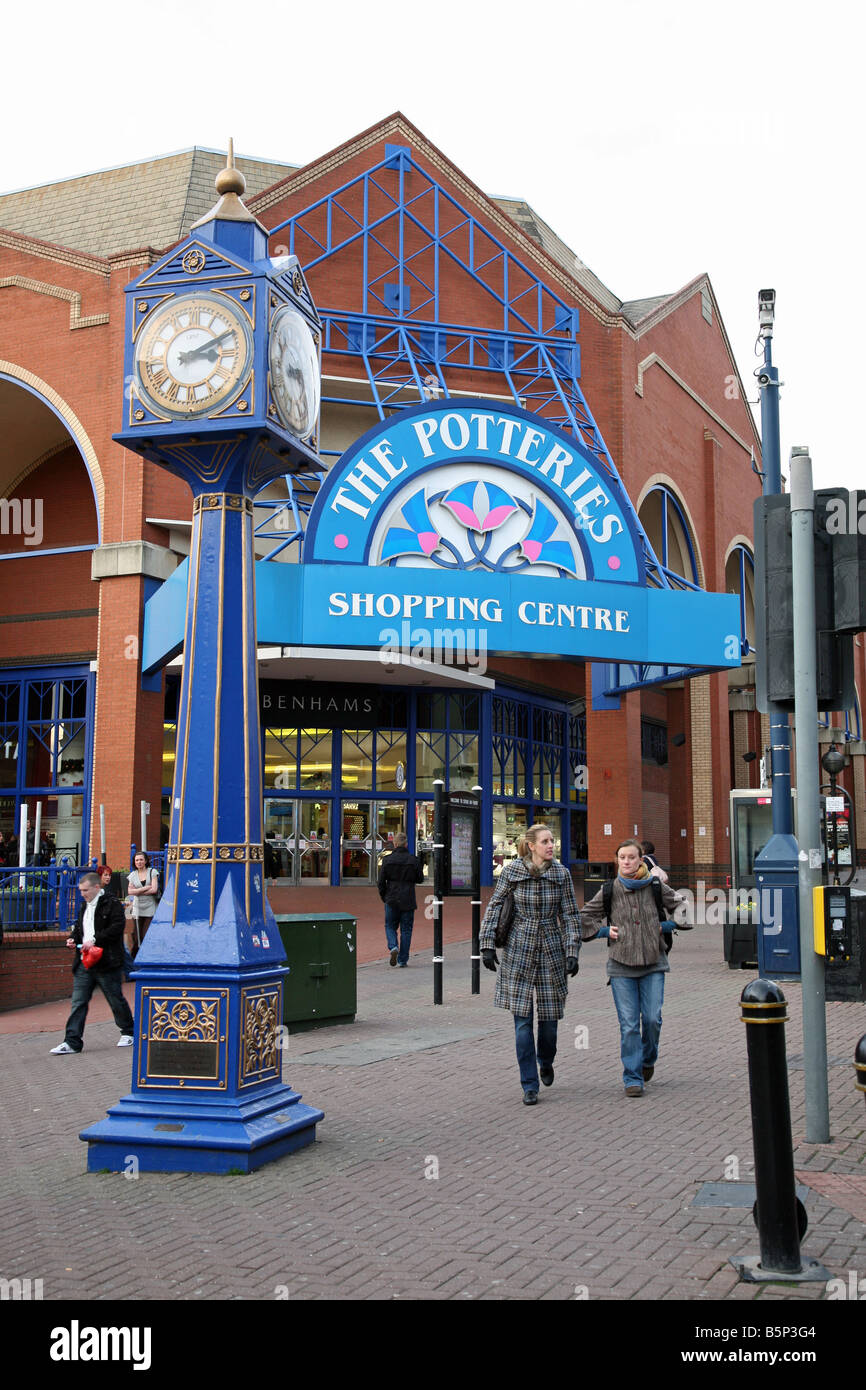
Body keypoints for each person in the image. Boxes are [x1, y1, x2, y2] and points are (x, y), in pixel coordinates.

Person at [479, 824, 581, 1105]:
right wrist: (486, 945)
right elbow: (495, 906)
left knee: (549, 1021)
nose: (552, 845)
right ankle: (529, 1084)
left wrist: (572, 950)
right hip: (519, 949)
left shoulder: (561, 874)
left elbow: (571, 915)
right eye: (546, 841)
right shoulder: (512, 872)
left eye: (553, 840)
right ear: (531, 846)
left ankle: (546, 1060)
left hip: (551, 948)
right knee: (522, 1023)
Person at [580, 838, 682, 1097]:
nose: (627, 862)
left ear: (641, 860)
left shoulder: (655, 886)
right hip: (621, 965)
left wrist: (667, 926)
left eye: (632, 857)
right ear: (617, 861)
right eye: (622, 857)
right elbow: (584, 917)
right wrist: (604, 931)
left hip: (653, 962)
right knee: (628, 1025)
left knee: (651, 1019)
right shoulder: (609, 890)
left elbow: (682, 907)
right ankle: (632, 1077)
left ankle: (648, 1060)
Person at [49, 870, 134, 1054]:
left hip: (106, 961)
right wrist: (73, 938)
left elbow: (117, 928)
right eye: (80, 890)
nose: (82, 894)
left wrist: (95, 940)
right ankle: (72, 1041)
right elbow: (80, 927)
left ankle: (129, 1031)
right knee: (78, 1001)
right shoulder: (84, 906)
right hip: (85, 962)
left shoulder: (112, 904)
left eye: (85, 890)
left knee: (114, 999)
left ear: (97, 887)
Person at [377, 830, 424, 968]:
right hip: (408, 898)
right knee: (406, 929)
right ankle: (403, 959)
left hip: (391, 897)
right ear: (406, 844)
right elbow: (420, 879)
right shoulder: (413, 860)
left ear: (395, 843)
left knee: (390, 925)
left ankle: (393, 946)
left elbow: (381, 882)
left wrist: (384, 896)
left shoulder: (387, 860)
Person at [126, 850, 159, 959]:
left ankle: (147, 957)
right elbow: (130, 892)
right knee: (136, 935)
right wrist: (145, 888)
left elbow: (154, 889)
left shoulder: (152, 872)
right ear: (134, 862)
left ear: (145, 861)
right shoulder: (132, 875)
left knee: (146, 934)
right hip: (137, 907)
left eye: (141, 859)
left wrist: (137, 891)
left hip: (150, 906)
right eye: (136, 860)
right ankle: (134, 958)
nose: (139, 862)